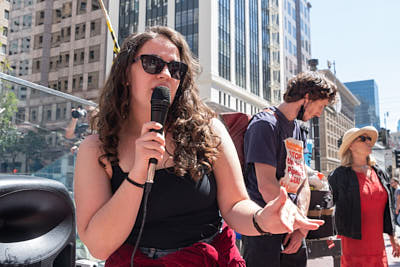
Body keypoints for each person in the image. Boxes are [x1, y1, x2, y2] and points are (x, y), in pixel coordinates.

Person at [73, 26, 323, 266]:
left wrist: (262, 220)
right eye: (152, 63)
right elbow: (99, 246)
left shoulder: (208, 130)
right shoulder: (97, 149)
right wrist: (138, 172)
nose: (166, 74)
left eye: (176, 68)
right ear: (126, 74)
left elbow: (235, 205)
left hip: (209, 259)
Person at [241, 71, 337, 267]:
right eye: (321, 106)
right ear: (307, 97)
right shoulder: (265, 125)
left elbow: (302, 181)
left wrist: (300, 227)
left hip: (292, 227)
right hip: (263, 229)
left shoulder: (297, 130)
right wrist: (297, 222)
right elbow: (266, 185)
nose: (319, 113)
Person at [329, 126, 400, 267]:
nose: (368, 141)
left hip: (378, 247)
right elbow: (329, 206)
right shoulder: (339, 175)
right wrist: (328, 234)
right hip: (352, 247)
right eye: (363, 138)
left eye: (369, 138)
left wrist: (393, 237)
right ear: (350, 146)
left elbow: (389, 208)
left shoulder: (380, 173)